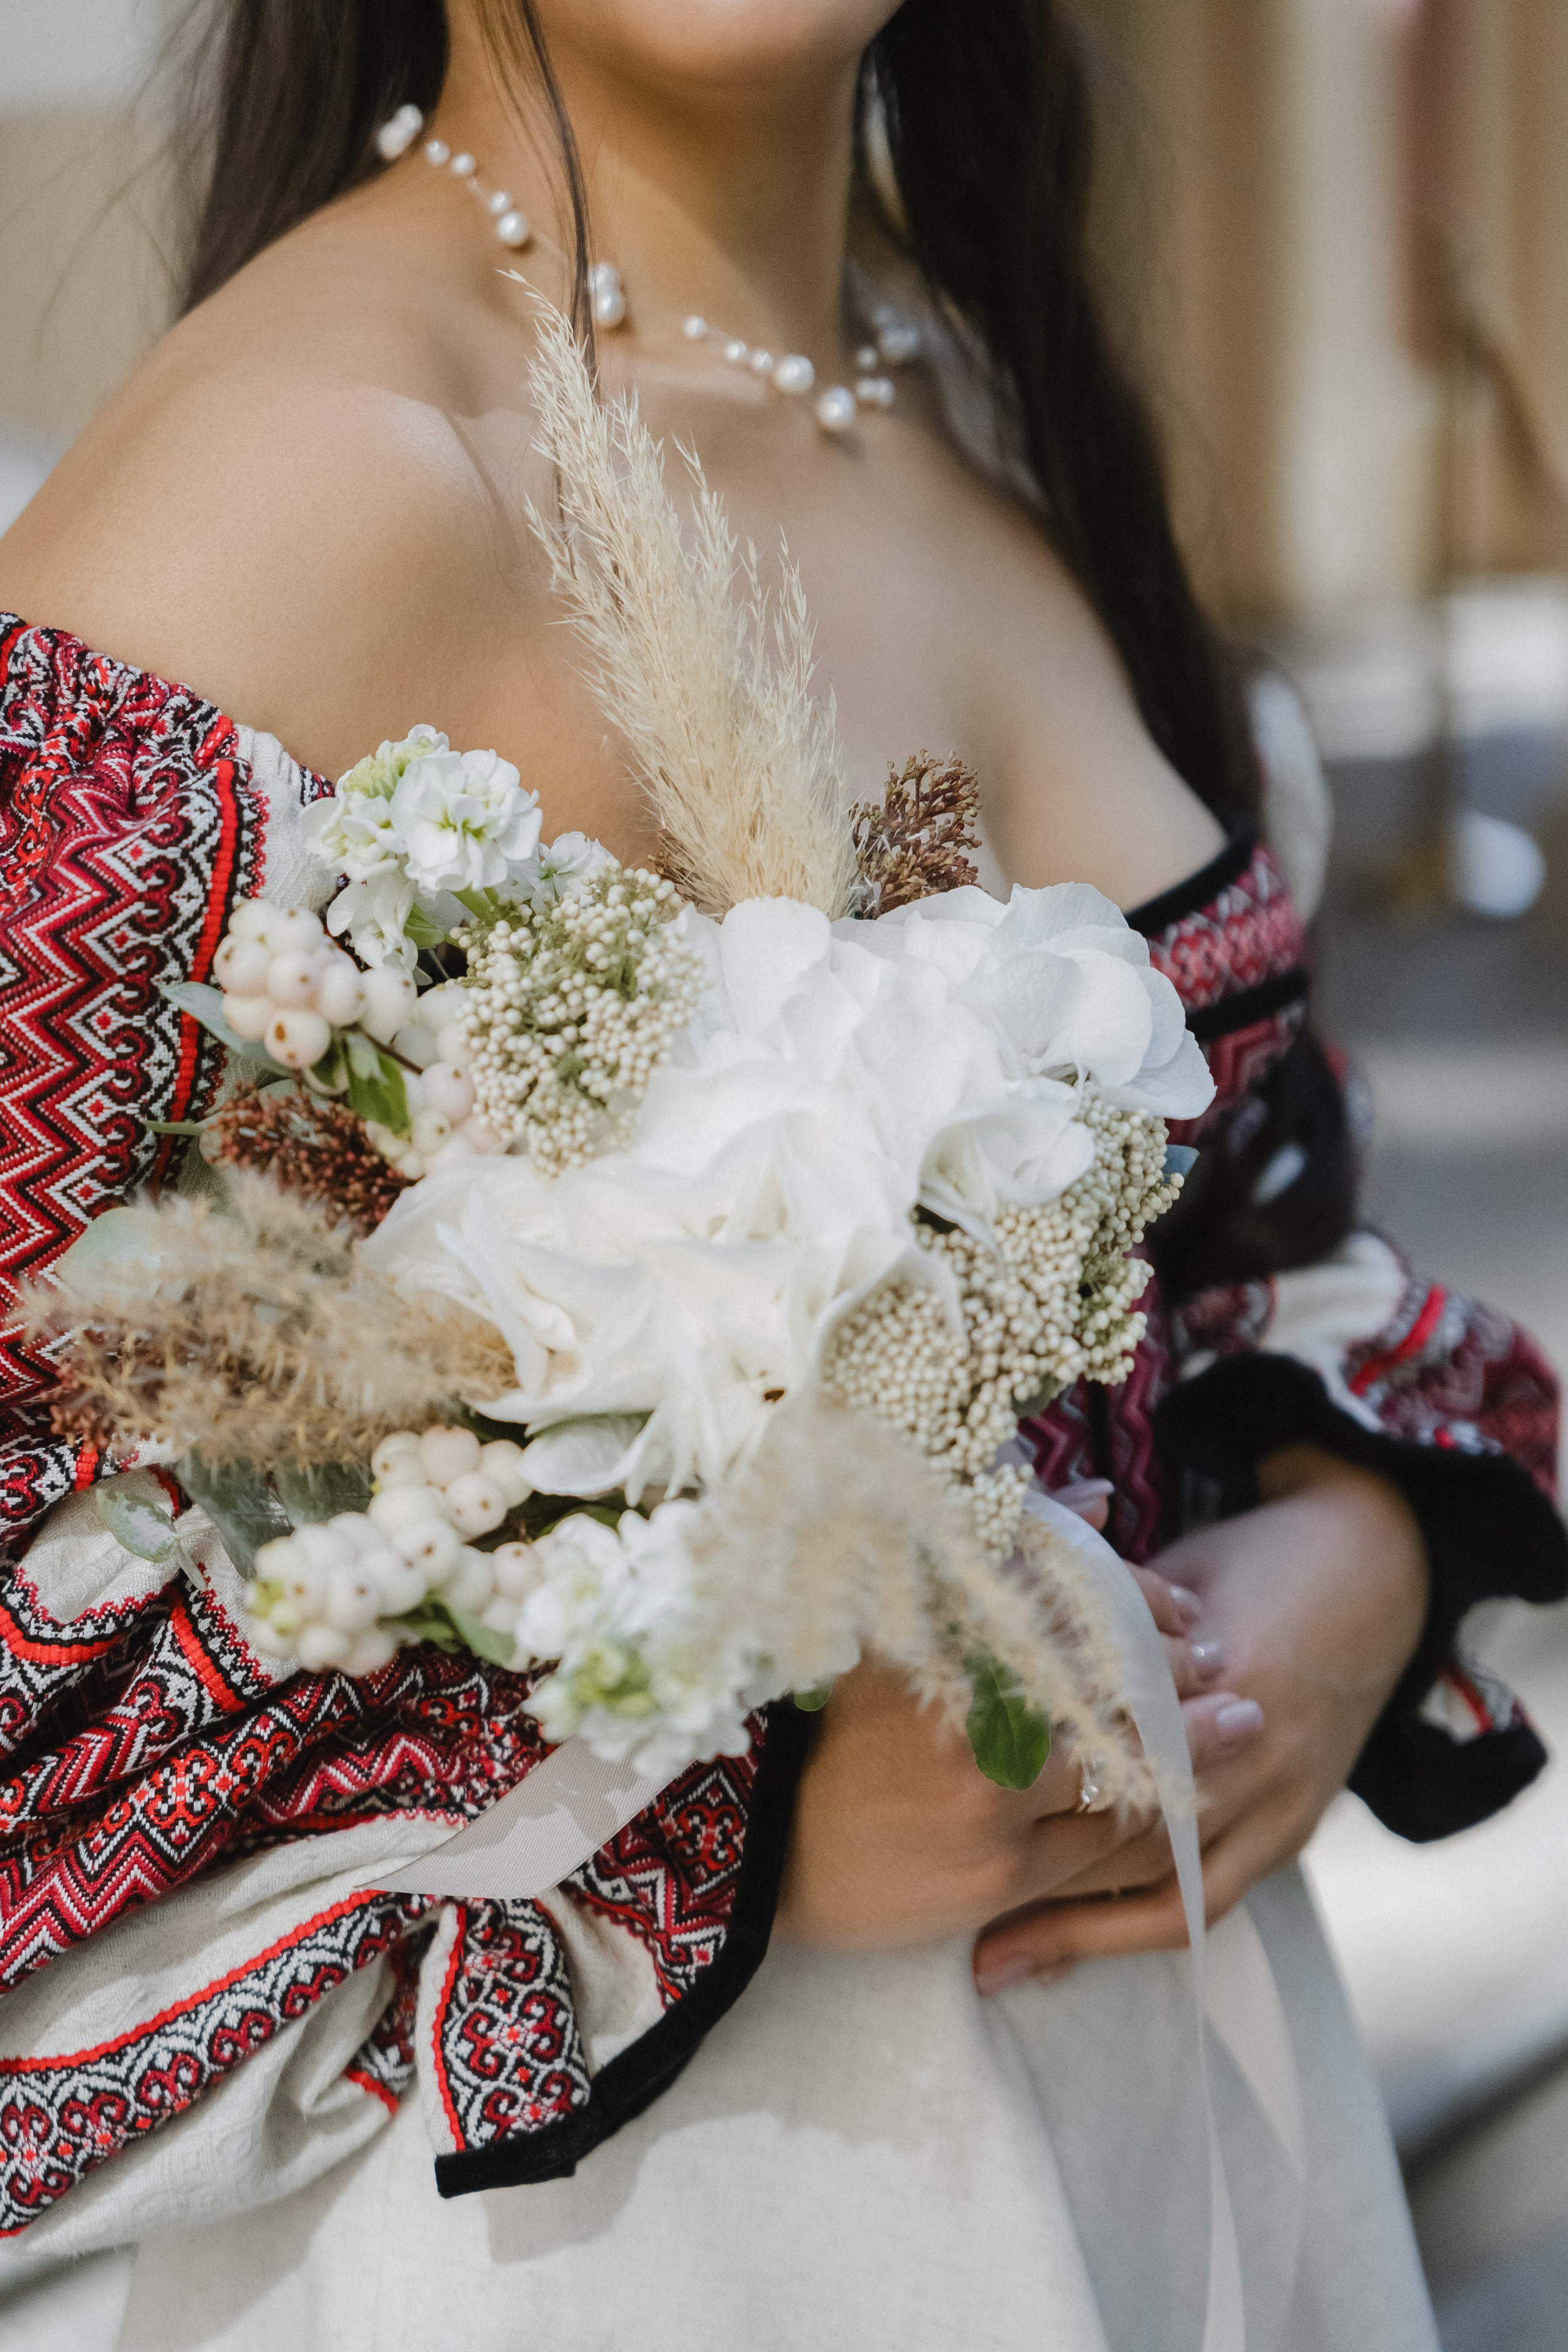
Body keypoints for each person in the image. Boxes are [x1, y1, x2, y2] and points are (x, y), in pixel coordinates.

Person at [0, 4, 1561, 2346]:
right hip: (599, 2255)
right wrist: (685, 1840)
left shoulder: (995, 400)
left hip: (1184, 2167)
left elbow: (1245, 1243)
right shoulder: (311, 483)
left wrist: (1349, 1547)